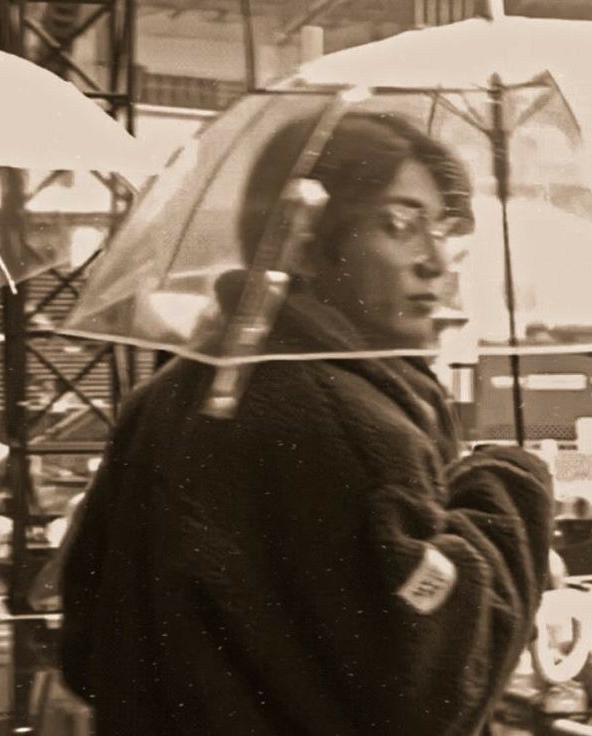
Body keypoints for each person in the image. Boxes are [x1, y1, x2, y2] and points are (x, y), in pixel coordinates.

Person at [60, 110, 554, 735]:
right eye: (399, 223)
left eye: (443, 229)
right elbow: (438, 691)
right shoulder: (352, 427)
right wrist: (505, 493)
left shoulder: (166, 398)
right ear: (308, 241)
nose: (436, 261)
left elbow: (86, 653)